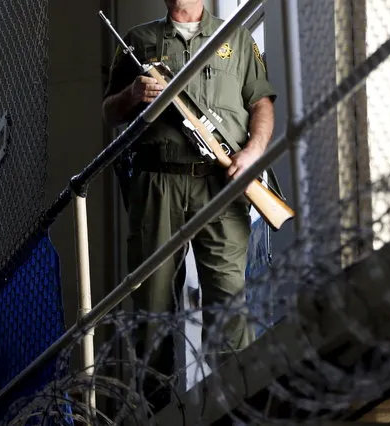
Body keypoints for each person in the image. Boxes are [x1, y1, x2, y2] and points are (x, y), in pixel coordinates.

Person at [102, 0, 276, 413]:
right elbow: (109, 110)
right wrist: (132, 93)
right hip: (157, 183)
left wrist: (251, 154)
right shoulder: (138, 40)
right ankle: (155, 412)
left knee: (229, 301)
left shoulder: (234, 34)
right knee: (152, 304)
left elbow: (262, 103)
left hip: (220, 183)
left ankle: (236, 407)